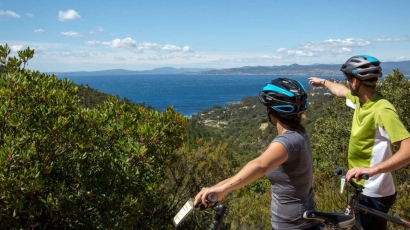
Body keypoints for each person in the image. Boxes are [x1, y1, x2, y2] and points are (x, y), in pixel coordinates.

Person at [194, 78, 319, 230]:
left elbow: (260, 165)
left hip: (294, 226)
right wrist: (216, 187)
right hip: (297, 223)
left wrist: (223, 190)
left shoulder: (289, 141)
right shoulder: (297, 136)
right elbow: (256, 166)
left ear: (271, 112)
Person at [308, 55, 410, 230]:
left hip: (376, 190)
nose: (347, 84)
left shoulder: (382, 110)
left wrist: (371, 170)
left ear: (355, 82)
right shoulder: (362, 101)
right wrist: (324, 82)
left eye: (348, 80)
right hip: (363, 188)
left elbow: (408, 150)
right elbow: (340, 91)